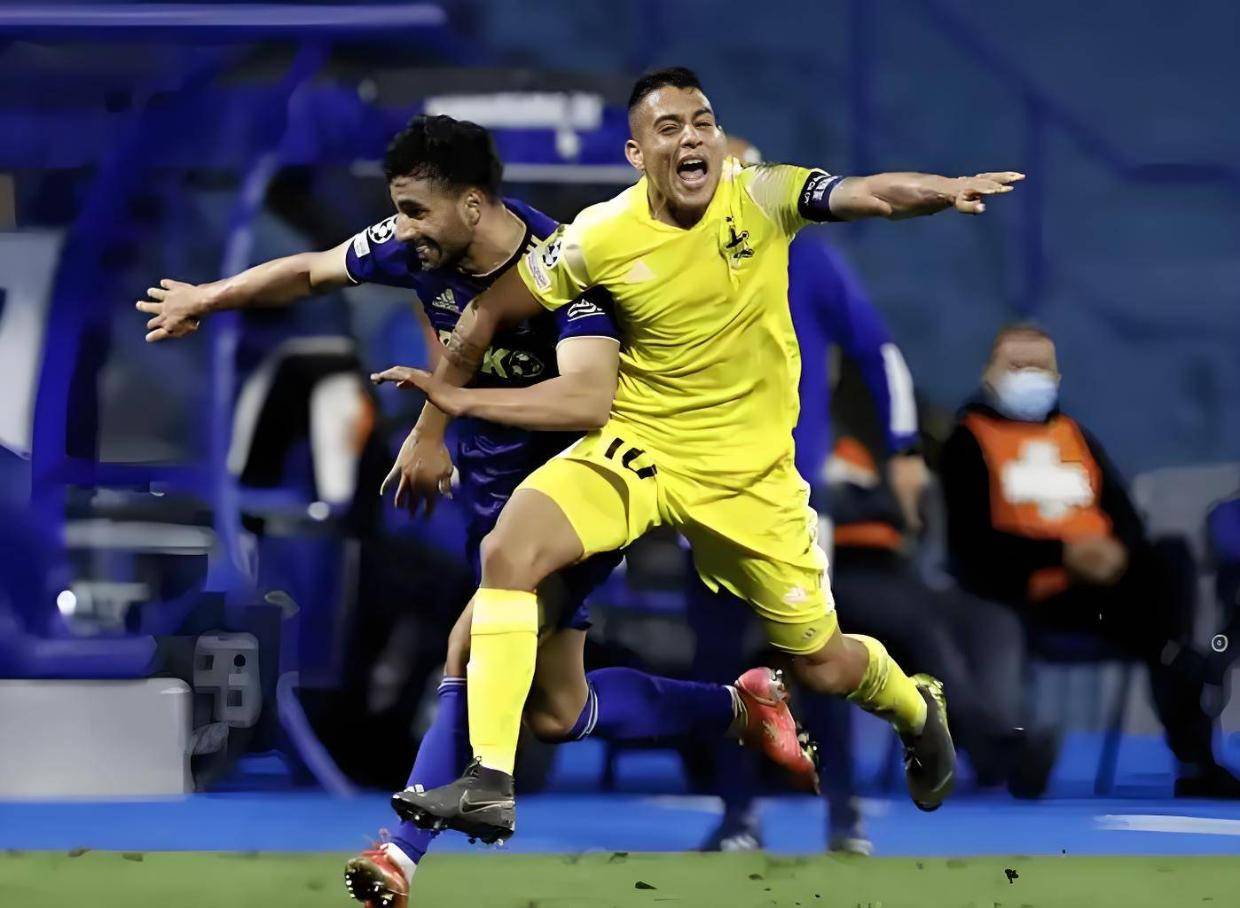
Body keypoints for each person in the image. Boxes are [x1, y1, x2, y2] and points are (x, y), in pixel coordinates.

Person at [136, 114, 818, 908]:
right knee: (561, 710)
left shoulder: (569, 268)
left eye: (415, 211)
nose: (402, 228)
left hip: (583, 493)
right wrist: (208, 297)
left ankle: (399, 852)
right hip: (496, 499)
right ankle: (742, 706)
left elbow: (590, 401)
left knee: (467, 646)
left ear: (471, 203)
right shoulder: (420, 245)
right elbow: (312, 272)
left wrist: (448, 414)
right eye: (399, 210)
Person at [379, 66, 1023, 844]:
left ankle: (917, 708)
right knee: (509, 552)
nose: (692, 137)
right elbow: (491, 307)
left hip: (750, 480)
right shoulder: (598, 235)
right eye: (670, 127)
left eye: (703, 122)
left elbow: (869, 195)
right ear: (635, 153)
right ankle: (490, 779)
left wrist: (940, 190)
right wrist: (433, 421)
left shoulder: (763, 196)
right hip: (639, 449)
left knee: (821, 663)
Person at [687, 137, 928, 854]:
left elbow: (879, 351)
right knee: (721, 660)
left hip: (790, 495)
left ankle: (844, 813)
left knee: (817, 654)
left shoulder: (806, 258)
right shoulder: (665, 259)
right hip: (699, 494)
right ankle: (739, 816)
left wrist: (904, 449)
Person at [940, 323, 1240, 798]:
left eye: (1040, 366)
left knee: (1168, 560)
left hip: (1102, 592)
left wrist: (1116, 554)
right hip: (1026, 596)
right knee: (1160, 632)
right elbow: (973, 545)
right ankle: (1179, 661)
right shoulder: (968, 442)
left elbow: (1124, 515)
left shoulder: (1074, 436)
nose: (1029, 376)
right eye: (1017, 365)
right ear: (990, 373)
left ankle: (1192, 744)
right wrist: (1063, 555)